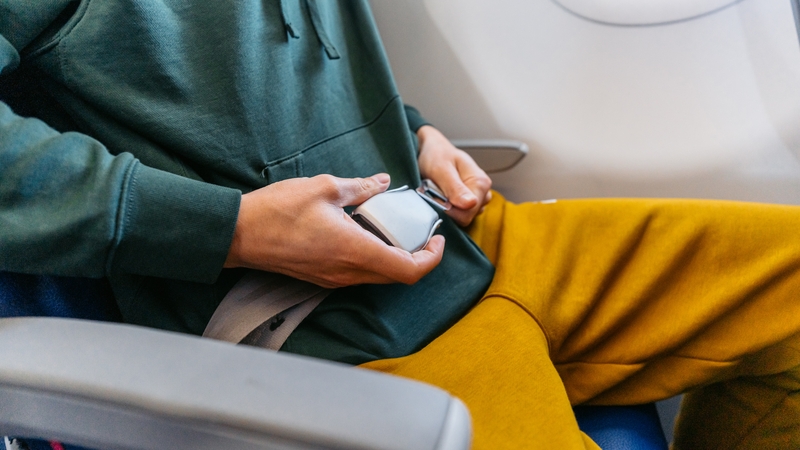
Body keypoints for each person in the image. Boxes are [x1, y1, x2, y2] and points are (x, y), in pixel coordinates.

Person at [1, 2, 799, 449]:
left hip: (459, 239)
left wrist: (416, 131)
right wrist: (235, 228)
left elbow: (292, 71)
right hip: (315, 333)